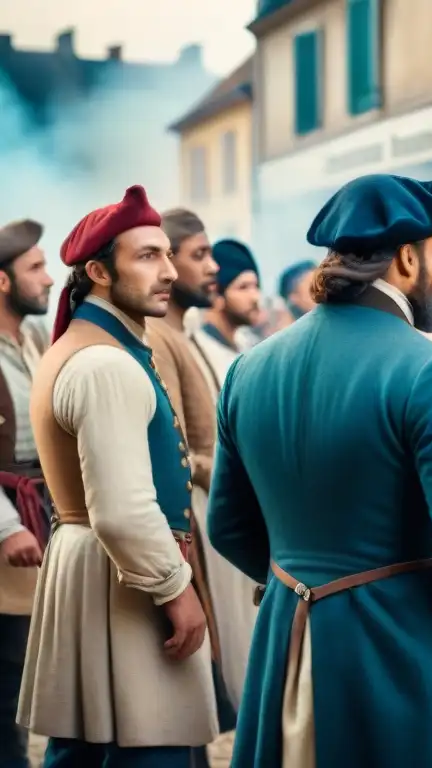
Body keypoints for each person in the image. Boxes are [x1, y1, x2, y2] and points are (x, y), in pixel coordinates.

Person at [206, 173, 432, 767]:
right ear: (407, 258)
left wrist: (306, 584)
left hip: (284, 642)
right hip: (397, 655)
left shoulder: (248, 369)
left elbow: (229, 527)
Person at [19, 185, 218, 766]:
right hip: (123, 577)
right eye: (146, 256)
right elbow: (125, 511)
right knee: (145, 750)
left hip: (104, 568)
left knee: (86, 751)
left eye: (166, 253)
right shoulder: (104, 362)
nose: (167, 270)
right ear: (98, 272)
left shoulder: (97, 346)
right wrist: (176, 590)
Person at [149, 209, 237, 757]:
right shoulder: (159, 336)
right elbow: (177, 452)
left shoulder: (184, 332)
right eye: (198, 255)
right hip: (190, 524)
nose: (213, 267)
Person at [186, 238, 262, 708]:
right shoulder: (197, 350)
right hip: (216, 498)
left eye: (256, 286)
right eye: (243, 286)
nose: (255, 297)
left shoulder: (250, 346)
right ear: (217, 294)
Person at [0, 219, 54, 768]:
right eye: (35, 268)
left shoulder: (35, 340)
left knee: (19, 678)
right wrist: (6, 525)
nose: (49, 278)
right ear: (1, 281)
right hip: (8, 528)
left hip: (38, 519)